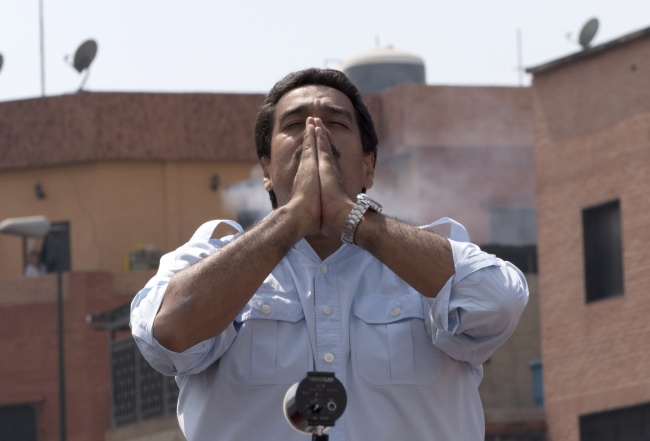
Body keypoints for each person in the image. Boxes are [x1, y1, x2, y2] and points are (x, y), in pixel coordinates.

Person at [131, 68, 529, 440]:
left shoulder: (425, 264)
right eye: (294, 124)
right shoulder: (210, 256)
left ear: (368, 166)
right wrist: (293, 217)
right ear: (266, 169)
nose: (314, 133)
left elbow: (500, 302)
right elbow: (167, 334)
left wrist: (348, 216)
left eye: (336, 123)